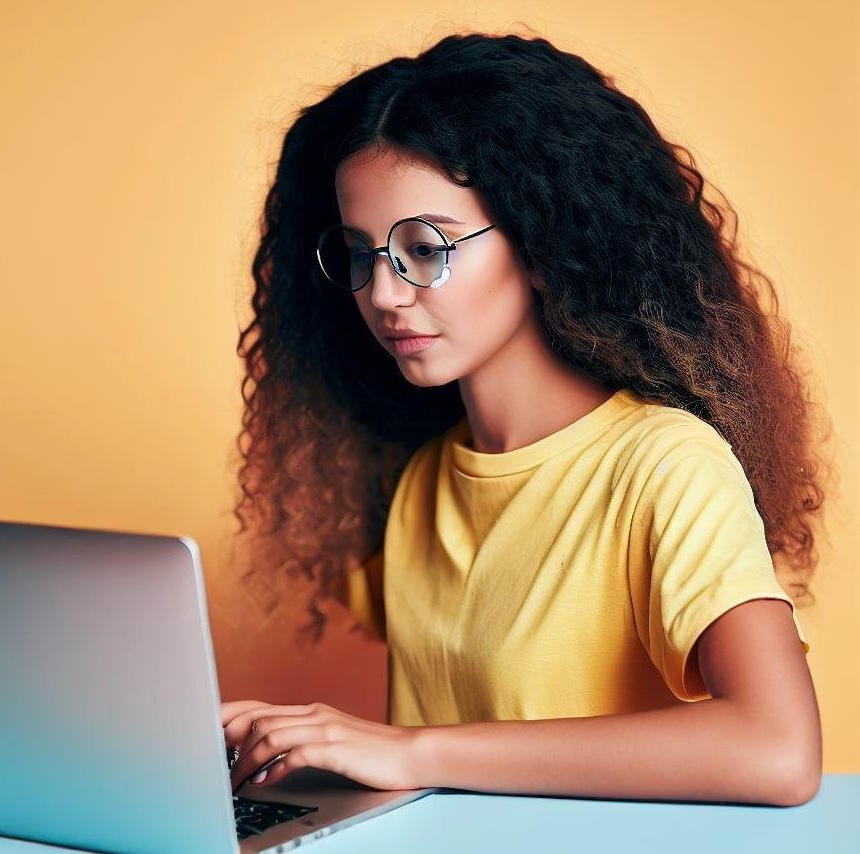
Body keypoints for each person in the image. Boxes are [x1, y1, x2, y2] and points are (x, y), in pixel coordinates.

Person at [221, 31, 834, 807]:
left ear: (543, 246)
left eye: (424, 247)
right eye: (361, 253)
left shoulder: (663, 465)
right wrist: (279, 746)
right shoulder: (421, 484)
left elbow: (776, 751)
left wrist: (411, 750)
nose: (382, 293)